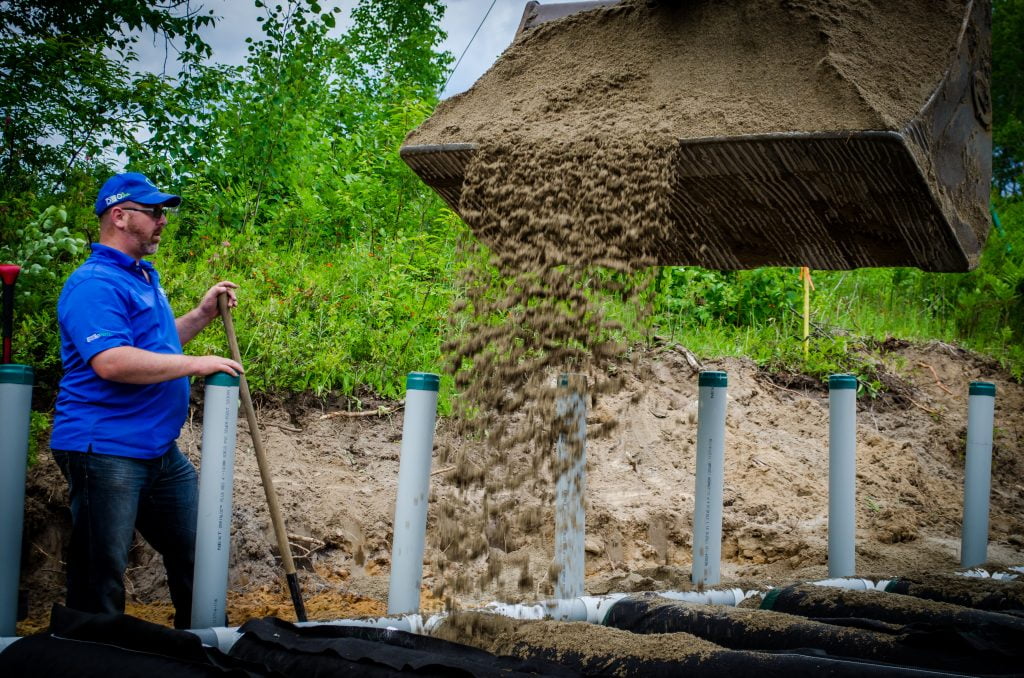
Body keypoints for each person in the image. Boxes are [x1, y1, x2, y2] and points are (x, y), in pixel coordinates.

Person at [49, 172, 244, 628]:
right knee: (101, 574)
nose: (162, 221)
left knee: (201, 552)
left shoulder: (140, 278)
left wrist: (200, 315)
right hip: (105, 449)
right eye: (153, 212)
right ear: (120, 216)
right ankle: (91, 659)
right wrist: (196, 364)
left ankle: (200, 647)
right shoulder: (94, 284)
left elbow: (156, 350)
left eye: (163, 213)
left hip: (157, 452)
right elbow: (113, 361)